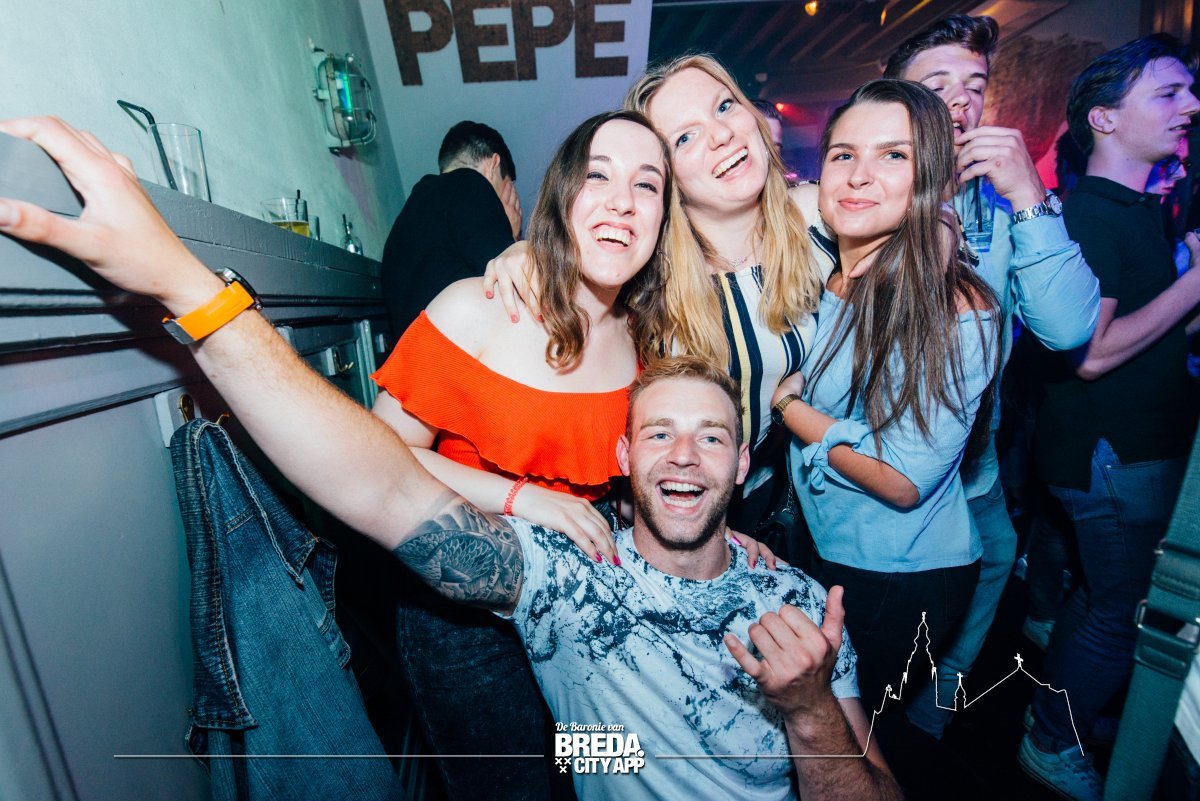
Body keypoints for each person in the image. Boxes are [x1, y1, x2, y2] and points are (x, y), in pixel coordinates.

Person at [0, 114, 902, 799]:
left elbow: (654, 471)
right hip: (471, 601)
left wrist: (718, 540)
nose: (623, 200)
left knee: (587, 756)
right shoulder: (484, 302)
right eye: (597, 176)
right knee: (508, 778)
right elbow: (382, 465)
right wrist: (520, 497)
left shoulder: (646, 337)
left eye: (648, 185)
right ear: (558, 197)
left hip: (593, 601)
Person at [483, 55, 835, 547]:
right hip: (672, 516)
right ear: (666, 181)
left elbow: (912, 220)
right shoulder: (643, 275)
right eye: (686, 137)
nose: (722, 135)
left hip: (788, 507)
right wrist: (524, 253)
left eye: (724, 106)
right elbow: (574, 255)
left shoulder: (817, 220)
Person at [881, 13, 1102, 742]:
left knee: (996, 557)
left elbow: (1067, 329)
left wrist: (1031, 194)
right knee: (892, 606)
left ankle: (931, 710)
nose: (960, 100)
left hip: (973, 464)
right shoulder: (868, 193)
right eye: (936, 82)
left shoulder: (1004, 205)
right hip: (887, 471)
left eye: (974, 85)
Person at [773, 79, 999, 726]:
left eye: (893, 155)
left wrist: (789, 409)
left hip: (901, 572)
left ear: (929, 175)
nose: (859, 175)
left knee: (851, 736)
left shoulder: (954, 306)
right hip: (828, 543)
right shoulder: (827, 271)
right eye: (843, 154)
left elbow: (903, 480)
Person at [1018, 35, 1200, 801]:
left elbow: (1147, 331)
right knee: (1120, 610)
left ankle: (1058, 716)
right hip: (1113, 451)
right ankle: (1050, 738)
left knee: (1100, 598)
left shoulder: (1131, 208)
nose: (1191, 106)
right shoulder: (1095, 214)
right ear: (1105, 118)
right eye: (1168, 93)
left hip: (1129, 442)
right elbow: (1092, 353)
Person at [380, 120, 521, 333]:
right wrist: (511, 238)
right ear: (493, 164)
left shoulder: (410, 213)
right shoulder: (471, 182)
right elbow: (515, 290)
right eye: (508, 186)